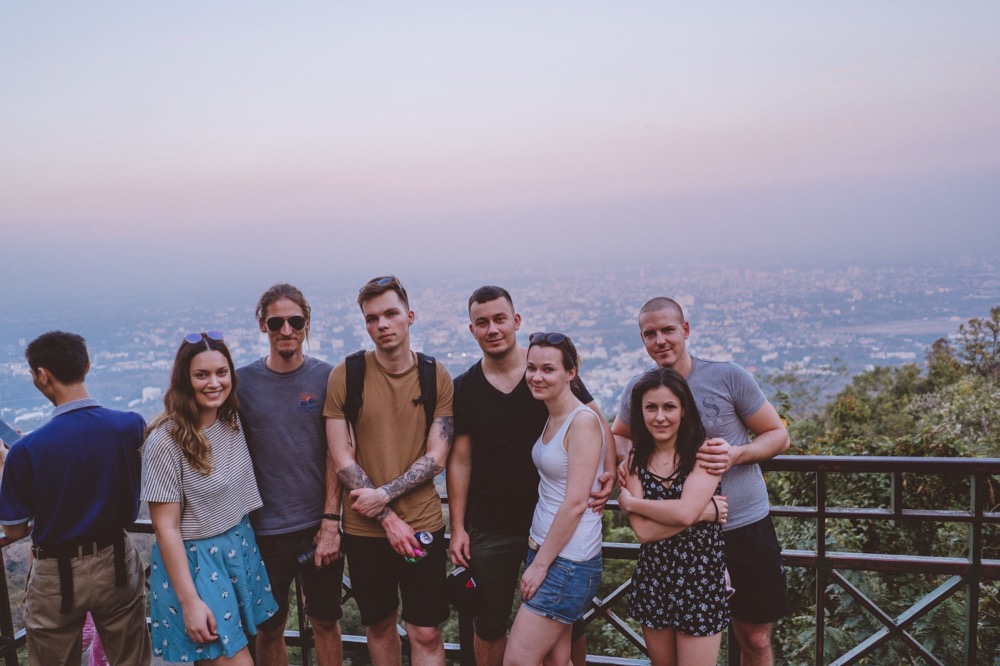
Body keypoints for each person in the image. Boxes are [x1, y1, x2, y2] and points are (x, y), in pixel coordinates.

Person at [612, 298, 790, 666]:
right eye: (650, 334)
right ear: (643, 340)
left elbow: (777, 435)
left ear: (686, 331)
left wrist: (735, 454)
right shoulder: (640, 389)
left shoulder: (728, 377)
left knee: (754, 639)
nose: (660, 340)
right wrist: (615, 465)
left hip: (742, 523)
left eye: (667, 330)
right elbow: (621, 437)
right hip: (677, 539)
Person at [448, 286, 615, 666]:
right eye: (482, 322)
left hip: (555, 528)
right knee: (489, 623)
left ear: (516, 321)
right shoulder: (465, 388)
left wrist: (611, 469)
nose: (492, 329)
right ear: (471, 330)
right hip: (491, 525)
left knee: (566, 627)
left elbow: (593, 421)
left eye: (500, 319)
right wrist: (458, 527)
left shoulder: (546, 373)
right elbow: (459, 461)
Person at [0, 331, 151, 665]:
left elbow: (14, 531)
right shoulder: (130, 425)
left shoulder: (26, 451)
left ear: (42, 375)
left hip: (56, 572)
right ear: (87, 365)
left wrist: (7, 467)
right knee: (132, 658)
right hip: (116, 560)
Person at [325, 275, 454, 666]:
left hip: (423, 525)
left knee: (426, 630)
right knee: (379, 626)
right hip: (366, 531)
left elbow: (437, 456)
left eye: (390, 314)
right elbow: (341, 458)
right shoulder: (347, 375)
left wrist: (384, 496)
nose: (381, 324)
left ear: (409, 316)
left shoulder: (436, 376)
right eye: (371, 317)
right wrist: (385, 516)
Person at [142, 331, 278, 664]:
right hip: (197, 564)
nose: (213, 382)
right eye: (201, 374)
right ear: (184, 380)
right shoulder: (165, 442)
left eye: (221, 372)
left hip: (238, 548)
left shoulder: (229, 420)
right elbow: (166, 528)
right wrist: (190, 602)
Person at [237, 283, 343, 666]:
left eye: (294, 321)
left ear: (307, 323)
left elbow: (337, 451)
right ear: (262, 325)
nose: (286, 330)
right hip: (264, 531)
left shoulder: (327, 377)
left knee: (326, 621)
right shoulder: (241, 383)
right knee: (270, 628)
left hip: (319, 528)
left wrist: (331, 521)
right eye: (276, 321)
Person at [618, 367, 731, 666]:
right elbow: (644, 533)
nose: (660, 417)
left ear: (683, 411)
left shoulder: (704, 455)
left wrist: (633, 503)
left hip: (700, 581)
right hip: (654, 579)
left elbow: (683, 513)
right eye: (651, 408)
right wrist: (705, 512)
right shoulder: (634, 460)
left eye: (669, 407)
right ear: (640, 413)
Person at [504, 332, 605, 666]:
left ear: (570, 372)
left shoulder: (581, 422)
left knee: (517, 661)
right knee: (555, 661)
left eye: (548, 369)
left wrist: (541, 565)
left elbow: (576, 502)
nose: (536, 376)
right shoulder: (554, 414)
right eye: (531, 368)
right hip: (549, 551)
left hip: (566, 561)